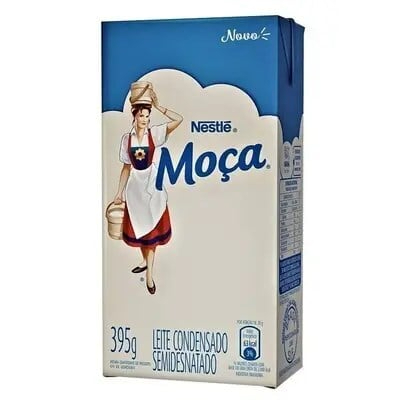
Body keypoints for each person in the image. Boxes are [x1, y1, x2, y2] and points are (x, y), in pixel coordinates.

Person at [113, 89, 183, 294]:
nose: (145, 119)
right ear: (134, 116)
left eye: (147, 116)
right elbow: (126, 168)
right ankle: (145, 262)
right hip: (135, 187)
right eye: (141, 115)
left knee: (151, 228)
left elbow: (179, 119)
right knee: (140, 228)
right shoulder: (126, 139)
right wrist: (119, 193)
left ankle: (150, 276)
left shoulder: (155, 134)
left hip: (151, 185)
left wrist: (159, 106)